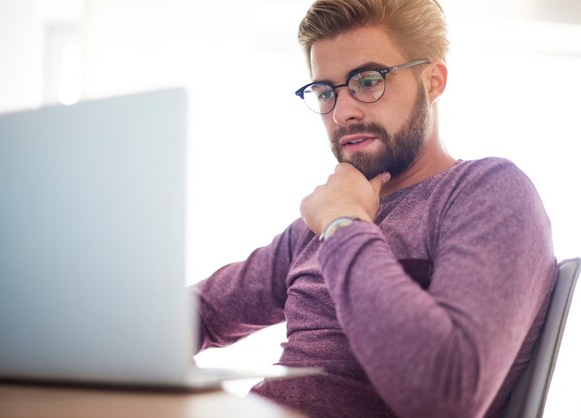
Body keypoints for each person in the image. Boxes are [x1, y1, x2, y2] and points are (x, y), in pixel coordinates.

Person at [194, 1, 557, 417]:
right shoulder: (321, 222)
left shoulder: (487, 191)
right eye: (325, 91)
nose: (342, 112)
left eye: (368, 80)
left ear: (433, 80)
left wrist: (343, 226)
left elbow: (445, 394)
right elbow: (199, 312)